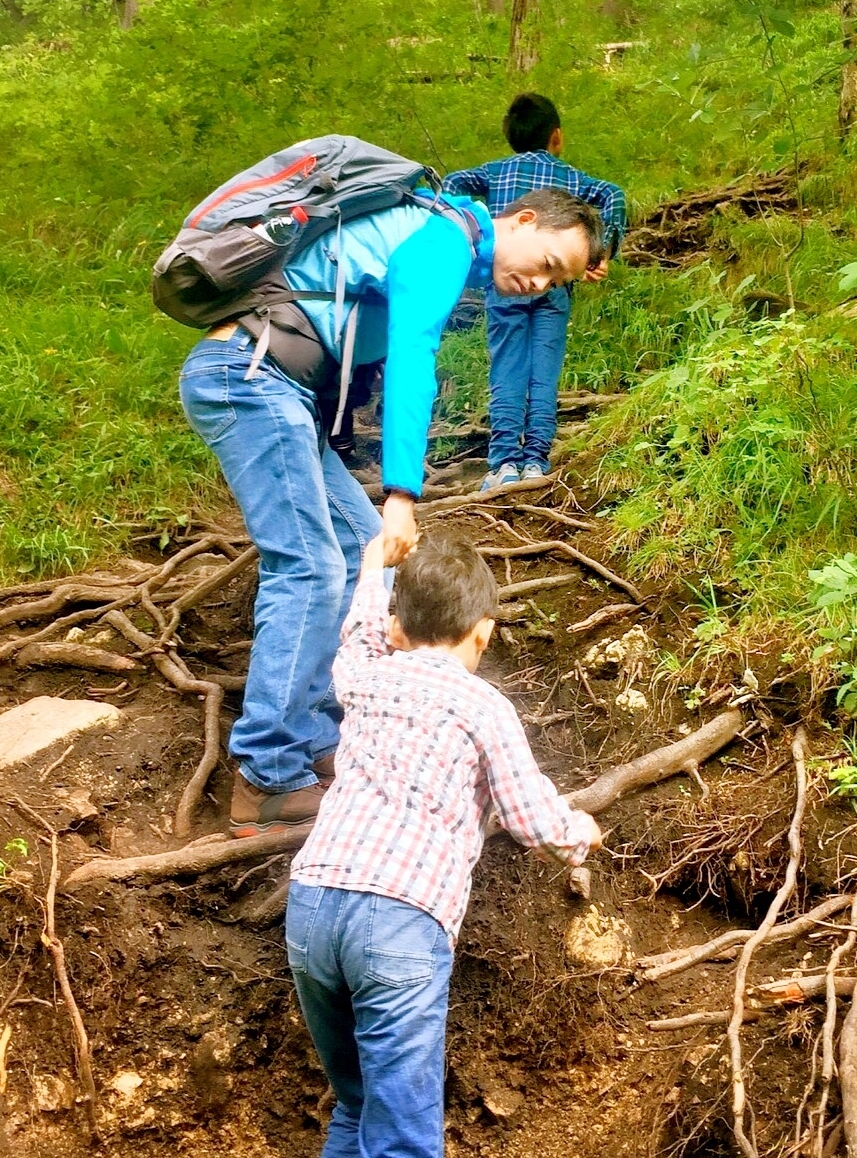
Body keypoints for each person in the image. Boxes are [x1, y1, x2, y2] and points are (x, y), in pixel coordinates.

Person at [179, 186, 603, 836]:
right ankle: (264, 774)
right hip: (248, 375)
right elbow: (414, 359)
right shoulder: (442, 241)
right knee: (311, 565)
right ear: (521, 220)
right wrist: (402, 494)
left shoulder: (435, 229)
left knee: (357, 551)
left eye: (557, 282)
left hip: (275, 386)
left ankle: (314, 736)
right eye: (546, 261)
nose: (539, 284)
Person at [285, 527, 602, 1158]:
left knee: (355, 1104)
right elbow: (529, 816)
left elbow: (360, 630)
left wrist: (375, 561)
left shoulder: (365, 679)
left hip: (312, 904)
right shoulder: (483, 706)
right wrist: (578, 834)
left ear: (398, 628)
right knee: (403, 1136)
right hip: (401, 918)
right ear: (484, 632)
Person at [443, 93, 627, 491]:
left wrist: (459, 223)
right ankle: (536, 461)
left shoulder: (496, 171)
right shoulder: (572, 178)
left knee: (507, 369)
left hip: (506, 282)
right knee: (544, 371)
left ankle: (504, 462)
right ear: (556, 137)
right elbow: (614, 194)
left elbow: (455, 181)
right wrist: (601, 252)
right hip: (555, 287)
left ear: (510, 135)